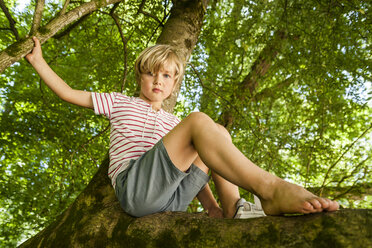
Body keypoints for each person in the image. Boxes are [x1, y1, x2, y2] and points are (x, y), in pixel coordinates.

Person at [26, 36, 339, 219]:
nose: (158, 81)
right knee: (200, 122)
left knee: (216, 134)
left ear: (174, 82)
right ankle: (269, 189)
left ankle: (232, 209)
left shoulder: (175, 124)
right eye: (151, 74)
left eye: (166, 76)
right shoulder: (120, 102)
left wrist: (211, 208)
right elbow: (68, 93)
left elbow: (189, 171)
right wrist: (38, 61)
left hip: (172, 200)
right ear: (140, 76)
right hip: (136, 191)